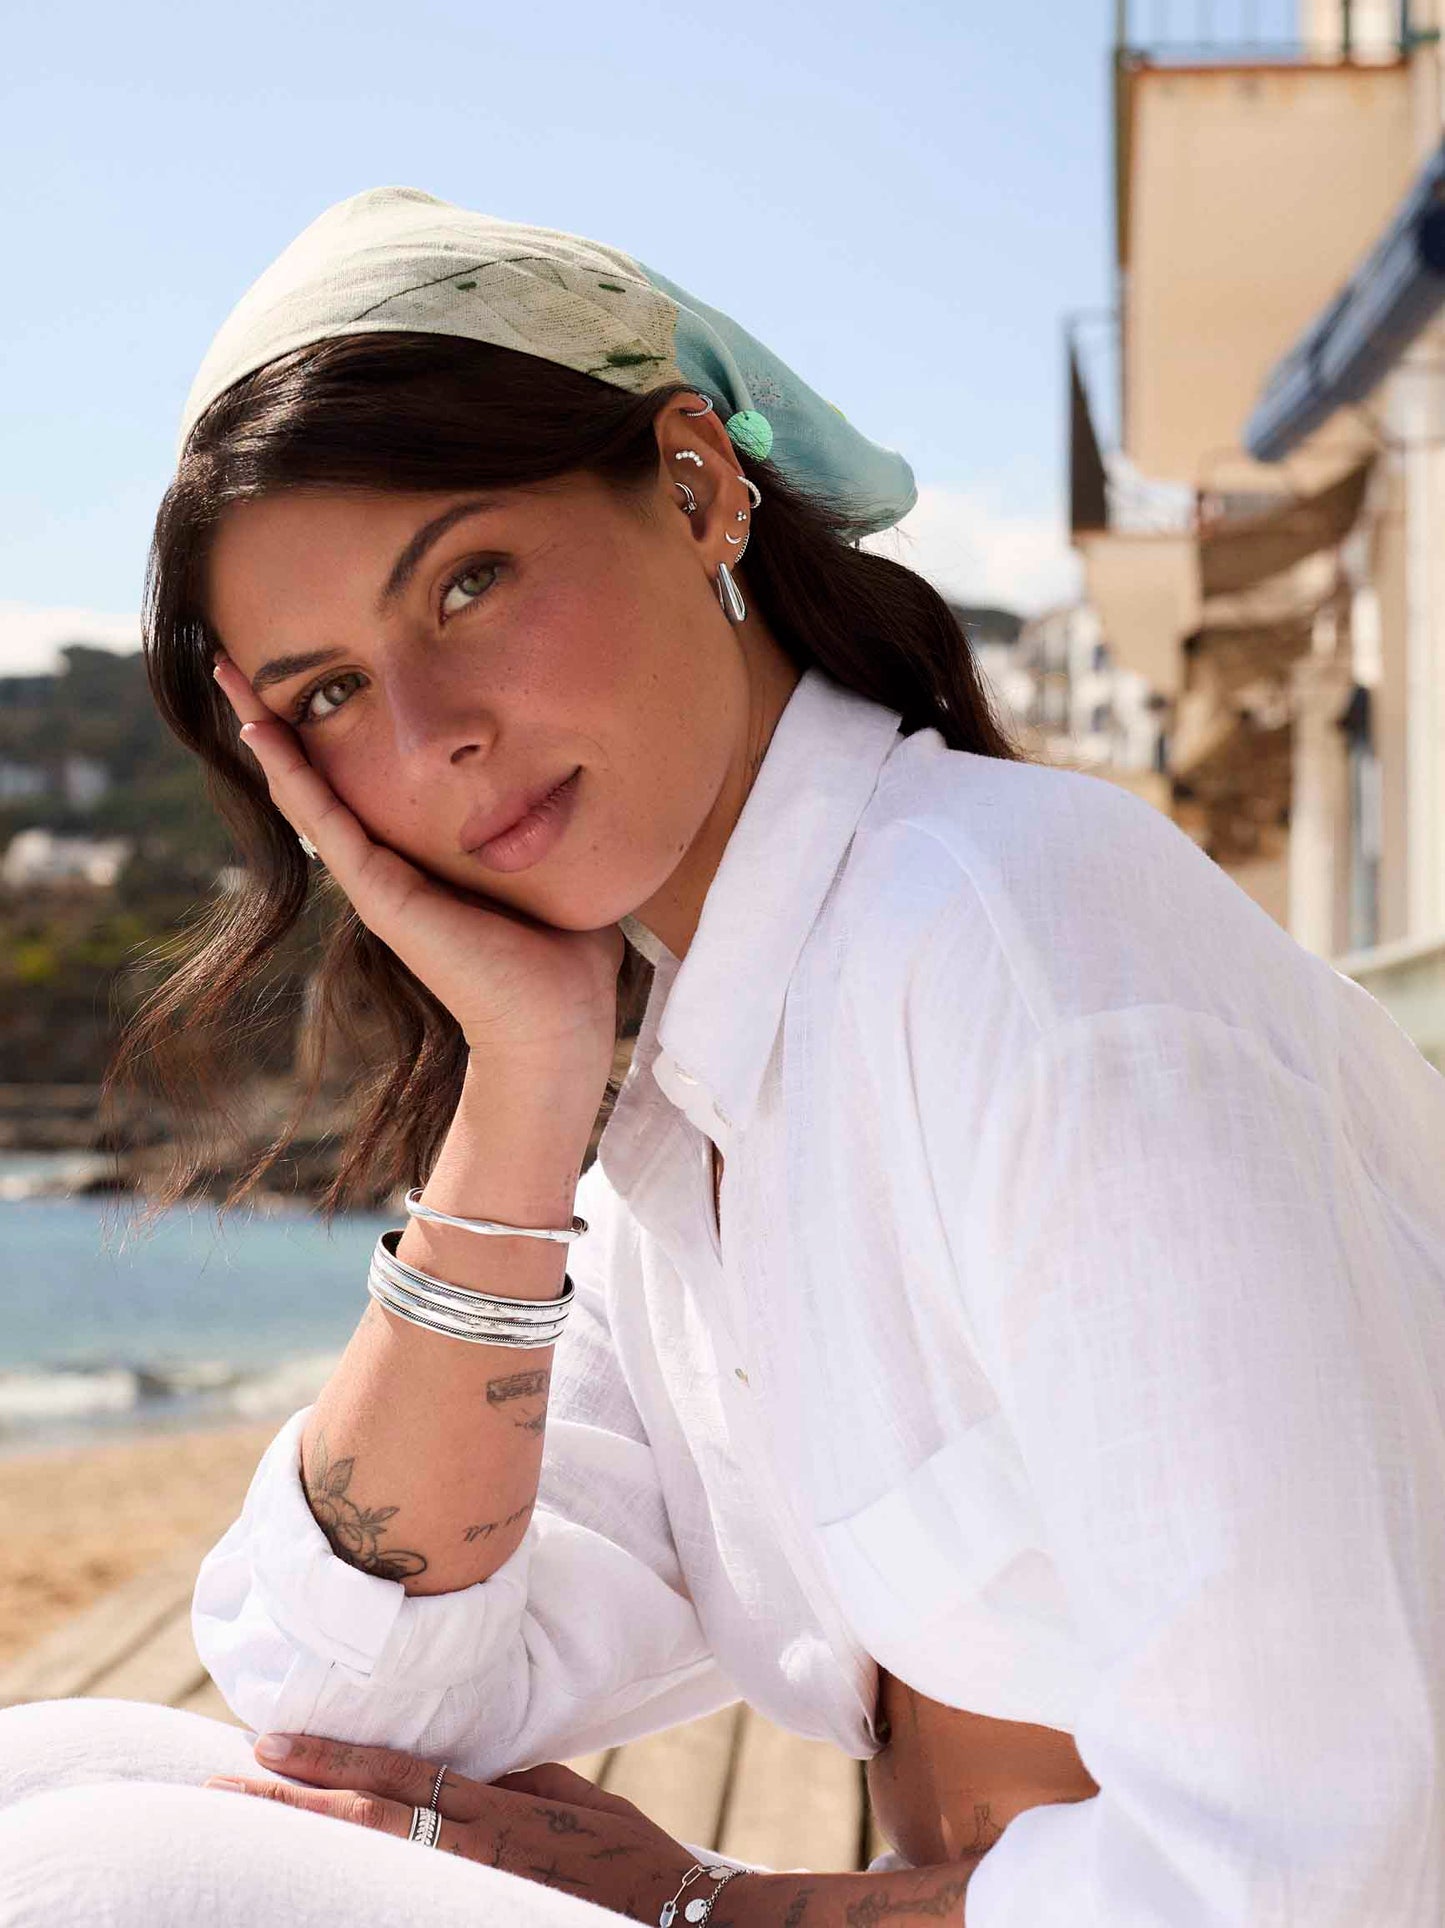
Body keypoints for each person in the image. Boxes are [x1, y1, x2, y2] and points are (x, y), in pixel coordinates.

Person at [1, 187, 1442, 1928]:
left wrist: (719, 1910)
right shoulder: (696, 1095)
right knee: (52, 1773)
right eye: (326, 696)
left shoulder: (1021, 953)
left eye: (467, 582)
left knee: (72, 1881)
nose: (431, 736)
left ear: (695, 486)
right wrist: (526, 1080)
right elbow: (346, 1702)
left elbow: (1314, 1877)